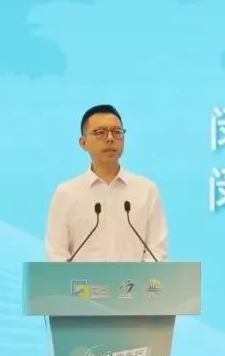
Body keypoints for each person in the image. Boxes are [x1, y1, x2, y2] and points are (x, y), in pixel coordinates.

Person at [45, 104, 168, 262]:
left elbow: (156, 252)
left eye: (117, 132)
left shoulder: (147, 190)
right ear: (83, 143)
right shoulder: (66, 193)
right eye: (100, 132)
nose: (110, 138)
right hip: (82, 279)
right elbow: (57, 255)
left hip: (135, 279)